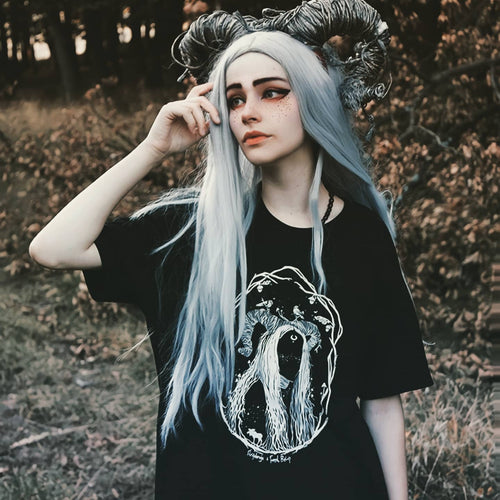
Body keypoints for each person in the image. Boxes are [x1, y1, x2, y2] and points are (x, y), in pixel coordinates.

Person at [29, 2, 433, 499]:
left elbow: (381, 399)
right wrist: (153, 149)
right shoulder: (189, 231)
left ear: (315, 98)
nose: (248, 112)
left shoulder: (362, 235)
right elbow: (53, 248)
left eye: (272, 92)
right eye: (234, 98)